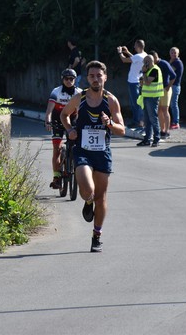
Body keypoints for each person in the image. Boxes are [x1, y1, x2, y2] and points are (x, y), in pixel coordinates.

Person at [60, 61, 125, 252]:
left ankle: (96, 236)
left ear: (105, 77)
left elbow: (122, 130)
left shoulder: (111, 100)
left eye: (99, 75)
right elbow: (64, 114)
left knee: (101, 197)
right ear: (87, 78)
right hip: (83, 151)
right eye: (92, 76)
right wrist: (70, 129)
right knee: (87, 189)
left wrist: (110, 123)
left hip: (102, 153)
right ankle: (87, 202)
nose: (95, 79)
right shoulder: (79, 98)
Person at [45, 68, 82, 188]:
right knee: (57, 148)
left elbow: (82, 111)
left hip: (72, 121)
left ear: (75, 80)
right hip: (57, 121)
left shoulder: (79, 93)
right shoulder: (56, 91)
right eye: (66, 78)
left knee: (76, 145)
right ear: (62, 79)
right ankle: (56, 177)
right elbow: (49, 110)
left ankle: (73, 163)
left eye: (71, 79)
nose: (69, 81)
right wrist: (48, 121)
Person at [118, 39, 147, 130]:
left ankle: (137, 122)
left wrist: (120, 53)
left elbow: (124, 60)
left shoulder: (138, 56)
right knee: (137, 101)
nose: (134, 47)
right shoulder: (144, 55)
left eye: (135, 45)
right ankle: (139, 121)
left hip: (134, 82)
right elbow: (134, 59)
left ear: (138, 46)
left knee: (135, 103)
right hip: (138, 81)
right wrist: (127, 52)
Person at [137, 55, 163, 147]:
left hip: (153, 97)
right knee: (147, 120)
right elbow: (143, 82)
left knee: (153, 118)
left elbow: (148, 82)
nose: (144, 64)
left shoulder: (155, 70)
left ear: (148, 62)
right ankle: (147, 139)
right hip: (147, 96)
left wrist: (144, 72)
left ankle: (156, 138)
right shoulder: (149, 70)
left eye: (145, 62)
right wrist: (142, 77)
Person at [150, 50, 176, 139]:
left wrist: (168, 86)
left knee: (165, 109)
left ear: (155, 57)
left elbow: (173, 75)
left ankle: (167, 131)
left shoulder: (164, 63)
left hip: (165, 89)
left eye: (153, 59)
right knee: (159, 110)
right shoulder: (152, 65)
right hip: (157, 89)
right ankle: (162, 129)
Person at [169, 47, 184, 129]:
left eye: (175, 53)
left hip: (175, 86)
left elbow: (169, 72)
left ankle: (176, 122)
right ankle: (174, 121)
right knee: (172, 104)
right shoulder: (174, 62)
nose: (173, 54)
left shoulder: (177, 62)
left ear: (178, 54)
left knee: (174, 104)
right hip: (173, 86)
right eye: (172, 53)